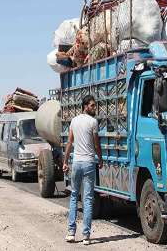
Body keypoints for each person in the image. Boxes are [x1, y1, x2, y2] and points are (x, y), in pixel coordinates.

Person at [63, 95, 103, 245]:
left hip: (77, 163)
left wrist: (66, 161)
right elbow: (97, 144)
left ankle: (71, 233)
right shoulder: (93, 122)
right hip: (88, 164)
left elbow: (69, 142)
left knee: (74, 196)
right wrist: (101, 159)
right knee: (87, 199)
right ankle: (86, 236)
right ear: (85, 106)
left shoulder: (74, 121)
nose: (94, 108)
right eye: (92, 105)